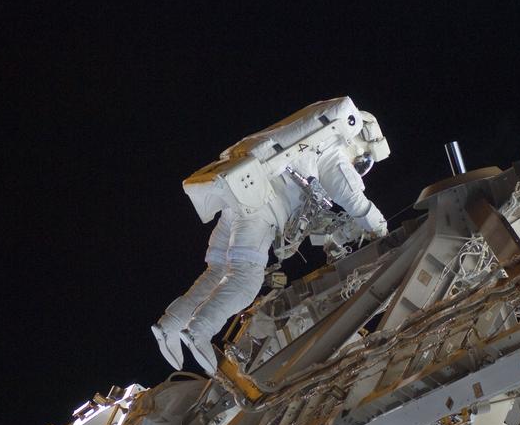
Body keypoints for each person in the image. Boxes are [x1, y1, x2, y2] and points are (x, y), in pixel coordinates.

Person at [152, 98, 389, 374]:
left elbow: (314, 221)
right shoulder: (332, 151)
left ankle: (169, 325)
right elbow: (352, 198)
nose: (360, 168)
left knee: (217, 271)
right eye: (364, 162)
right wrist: (380, 228)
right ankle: (199, 331)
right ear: (358, 143)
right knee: (245, 279)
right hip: (260, 211)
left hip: (238, 201)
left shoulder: (307, 144)